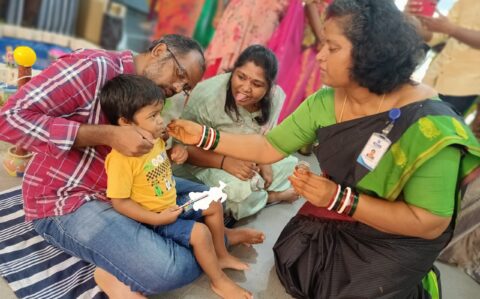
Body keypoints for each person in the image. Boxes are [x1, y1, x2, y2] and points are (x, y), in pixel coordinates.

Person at [167, 0, 480, 297]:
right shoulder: (327, 100)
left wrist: (338, 198)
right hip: (341, 215)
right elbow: (268, 146)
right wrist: (205, 136)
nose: (319, 54)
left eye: (332, 47)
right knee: (294, 263)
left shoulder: (430, 127)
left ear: (370, 53)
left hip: (395, 239)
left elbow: (429, 223)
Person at [0, 34, 264, 299]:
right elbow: (8, 120)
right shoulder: (93, 68)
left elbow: (150, 156)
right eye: (179, 73)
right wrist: (106, 135)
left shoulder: (154, 93)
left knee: (213, 197)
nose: (176, 86)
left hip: (132, 186)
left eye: (185, 86)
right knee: (169, 269)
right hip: (67, 198)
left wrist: (169, 145)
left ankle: (220, 241)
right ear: (160, 51)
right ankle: (122, 269)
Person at [100, 74, 254, 298]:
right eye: (153, 116)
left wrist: (175, 154)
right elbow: (120, 202)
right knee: (200, 233)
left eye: (159, 113)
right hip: (153, 219)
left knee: (213, 202)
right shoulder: (121, 159)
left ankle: (221, 253)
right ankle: (219, 281)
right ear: (125, 122)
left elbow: (156, 165)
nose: (161, 121)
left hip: (172, 203)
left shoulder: (152, 139)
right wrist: (157, 219)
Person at [175, 45, 299, 220]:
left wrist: (264, 162)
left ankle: (257, 191)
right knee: (238, 193)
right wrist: (225, 162)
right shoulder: (206, 96)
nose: (246, 88)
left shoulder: (275, 96)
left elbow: (266, 137)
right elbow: (181, 148)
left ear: (269, 87)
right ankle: (271, 197)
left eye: (257, 84)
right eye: (241, 77)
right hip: (205, 160)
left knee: (294, 168)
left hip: (249, 157)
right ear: (233, 71)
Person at [406, 0, 480, 137]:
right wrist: (410, 17)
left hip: (465, 88)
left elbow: (449, 29)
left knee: (436, 139)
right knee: (406, 128)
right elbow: (435, 37)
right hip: (432, 79)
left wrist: (452, 29)